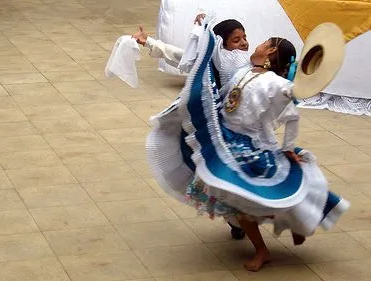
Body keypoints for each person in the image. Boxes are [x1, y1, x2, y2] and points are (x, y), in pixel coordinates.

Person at [146, 22, 349, 272]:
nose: (252, 44)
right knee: (242, 203)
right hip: (227, 140)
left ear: (271, 52)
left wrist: (287, 148)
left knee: (246, 203)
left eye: (262, 42)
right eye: (239, 39)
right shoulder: (243, 69)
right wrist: (201, 32)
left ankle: (268, 245)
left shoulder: (275, 84)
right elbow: (203, 62)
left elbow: (292, 115)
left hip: (249, 149)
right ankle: (291, 226)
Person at [136, 14, 251, 241]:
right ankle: (236, 220)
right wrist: (149, 42)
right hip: (216, 134)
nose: (244, 43)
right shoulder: (208, 68)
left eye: (244, 37)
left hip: (241, 134)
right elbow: (179, 56)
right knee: (222, 179)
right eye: (237, 40)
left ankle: (241, 219)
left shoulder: (248, 66)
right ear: (222, 44)